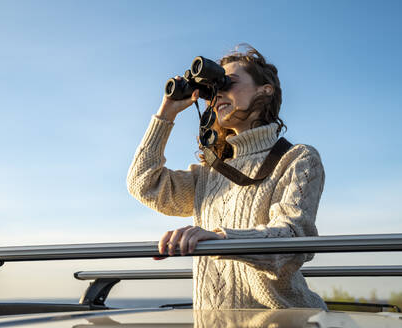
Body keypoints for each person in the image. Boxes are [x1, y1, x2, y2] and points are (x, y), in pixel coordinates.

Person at [126, 44, 327, 310]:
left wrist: (221, 239)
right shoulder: (210, 173)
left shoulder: (298, 159)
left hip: (284, 319)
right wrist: (167, 111)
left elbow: (293, 239)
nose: (219, 93)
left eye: (228, 82)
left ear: (265, 90)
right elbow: (144, 184)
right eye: (215, 88)